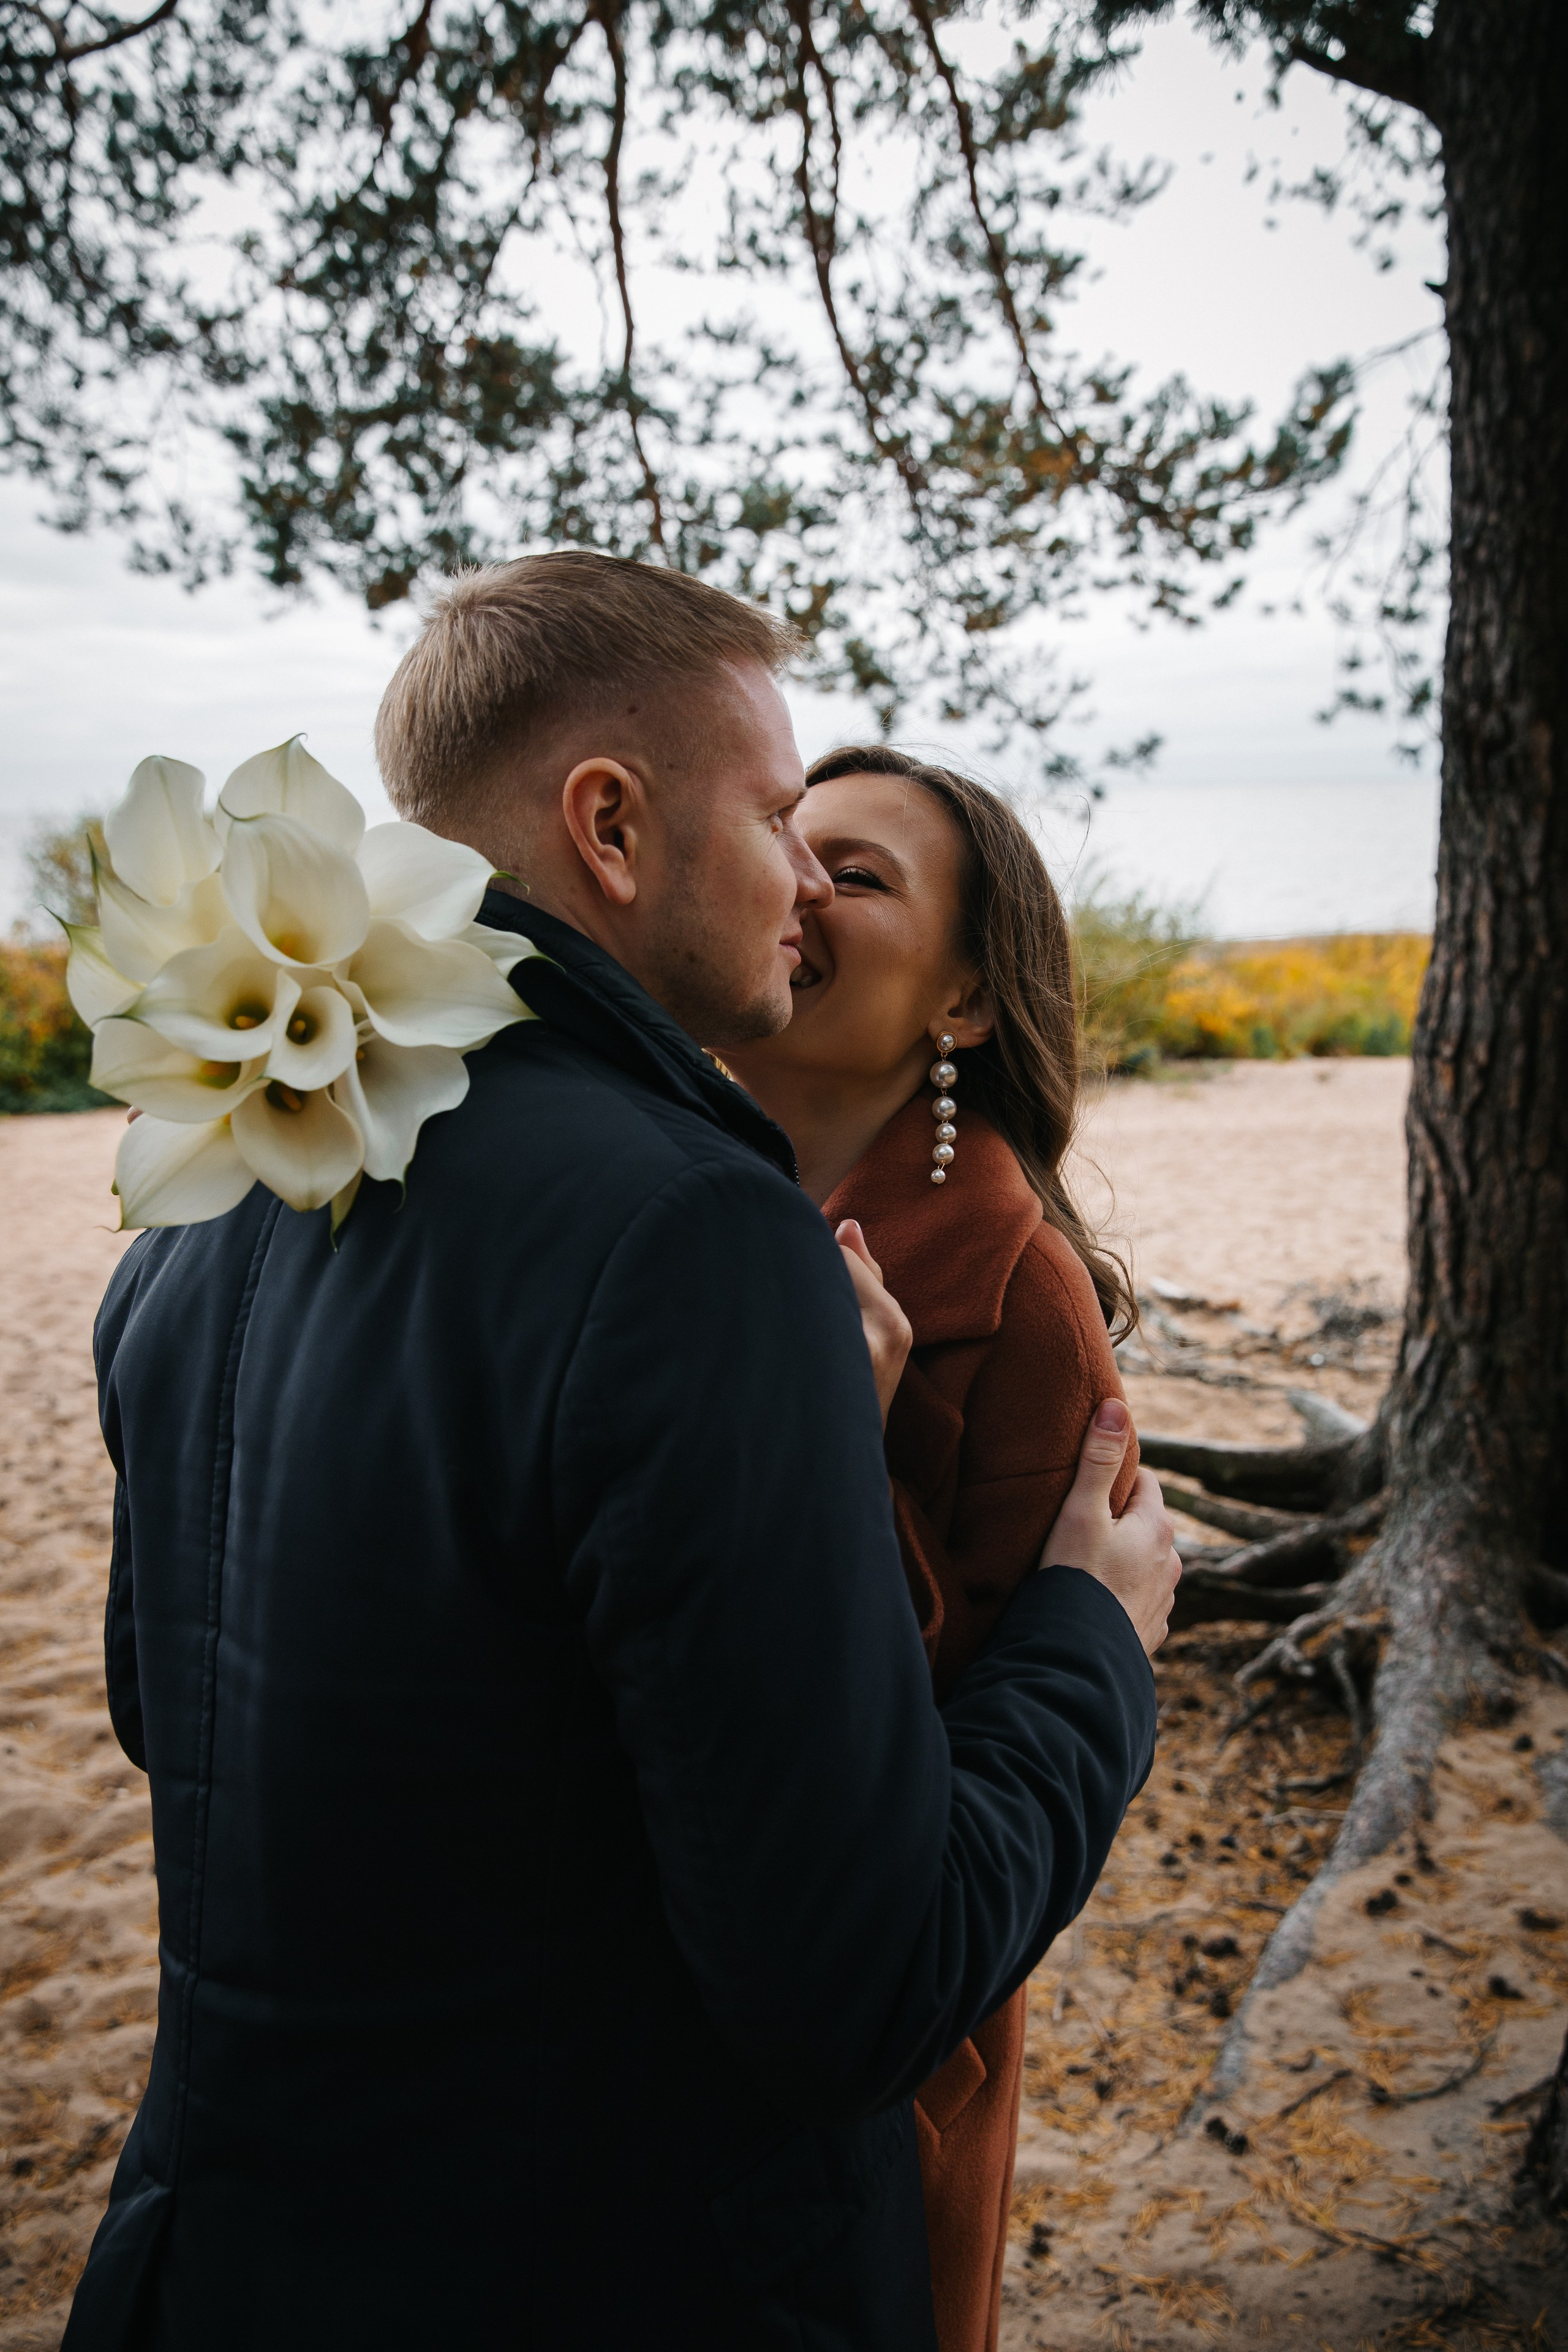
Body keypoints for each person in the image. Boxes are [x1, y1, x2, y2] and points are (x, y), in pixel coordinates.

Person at [64, 552, 1178, 2352]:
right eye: (772, 813)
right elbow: (856, 1988)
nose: (802, 874)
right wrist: (1091, 1649)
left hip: (217, 2264)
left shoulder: (211, 1208)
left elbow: (165, 1714)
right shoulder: (693, 1233)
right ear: (610, 825)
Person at [722, 747, 1140, 2352]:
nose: (800, 884)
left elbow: (1008, 1719)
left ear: (964, 1005)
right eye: (786, 843)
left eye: (863, 872)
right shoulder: (661, 1205)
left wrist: (832, 1447)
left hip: (882, 2044)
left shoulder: (1019, 1300)